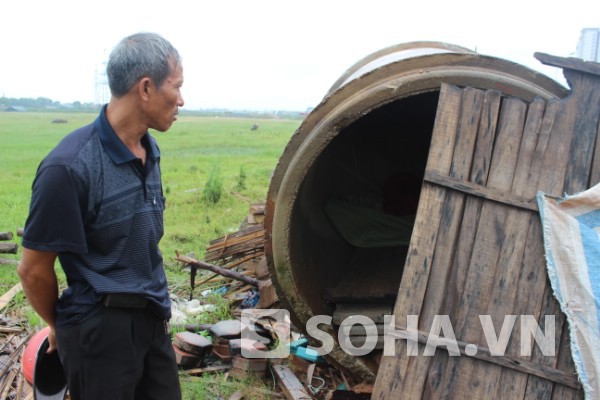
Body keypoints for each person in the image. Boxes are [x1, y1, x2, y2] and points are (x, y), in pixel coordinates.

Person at [17, 32, 184, 400]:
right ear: (145, 88)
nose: (182, 100)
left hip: (152, 318)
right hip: (99, 330)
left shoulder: (149, 150)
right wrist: (55, 324)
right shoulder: (69, 167)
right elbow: (32, 269)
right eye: (176, 87)